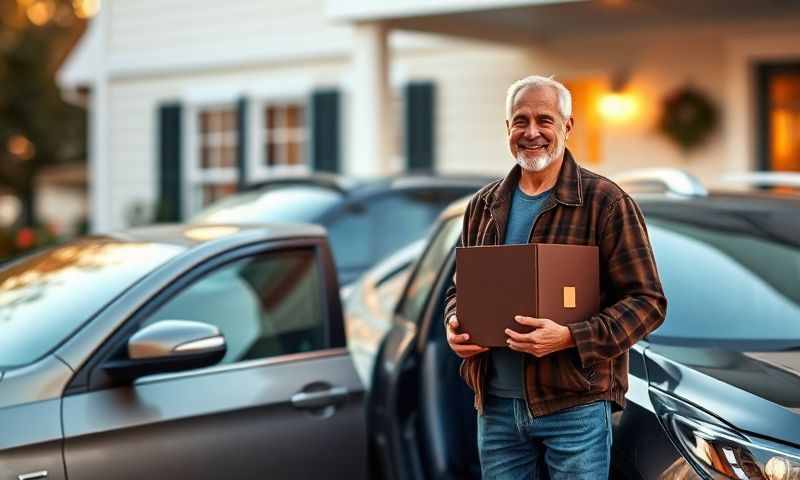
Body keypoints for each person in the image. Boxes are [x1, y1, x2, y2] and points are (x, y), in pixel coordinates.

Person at [443, 75, 668, 480]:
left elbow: (647, 302)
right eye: (520, 121)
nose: (532, 132)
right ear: (507, 129)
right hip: (495, 406)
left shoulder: (606, 202)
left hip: (575, 406)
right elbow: (460, 290)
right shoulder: (482, 205)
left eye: (544, 120)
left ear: (567, 126)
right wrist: (455, 324)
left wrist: (569, 337)